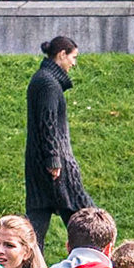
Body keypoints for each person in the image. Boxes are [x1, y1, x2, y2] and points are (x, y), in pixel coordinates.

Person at [25, 35, 93, 251]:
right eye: (73, 57)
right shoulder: (48, 83)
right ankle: (103, 266)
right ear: (61, 55)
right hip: (56, 168)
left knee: (36, 226)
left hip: (40, 164)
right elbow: (48, 124)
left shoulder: (43, 79)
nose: (74, 63)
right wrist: (54, 159)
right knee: (88, 220)